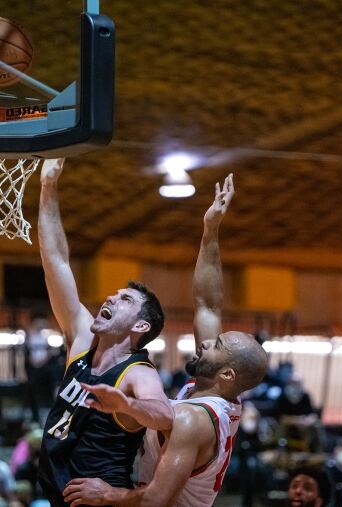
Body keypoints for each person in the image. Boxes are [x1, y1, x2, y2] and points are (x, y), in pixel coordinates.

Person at [63, 174, 269, 507]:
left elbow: (155, 500)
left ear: (227, 374)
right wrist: (210, 232)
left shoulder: (192, 420)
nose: (205, 343)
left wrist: (107, 494)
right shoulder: (221, 399)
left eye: (216, 346)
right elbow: (207, 303)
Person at [35, 158, 173, 506]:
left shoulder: (136, 372)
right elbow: (56, 261)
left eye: (125, 298)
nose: (111, 296)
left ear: (141, 326)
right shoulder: (83, 339)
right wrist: (48, 187)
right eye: (114, 293)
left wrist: (126, 403)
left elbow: (165, 414)